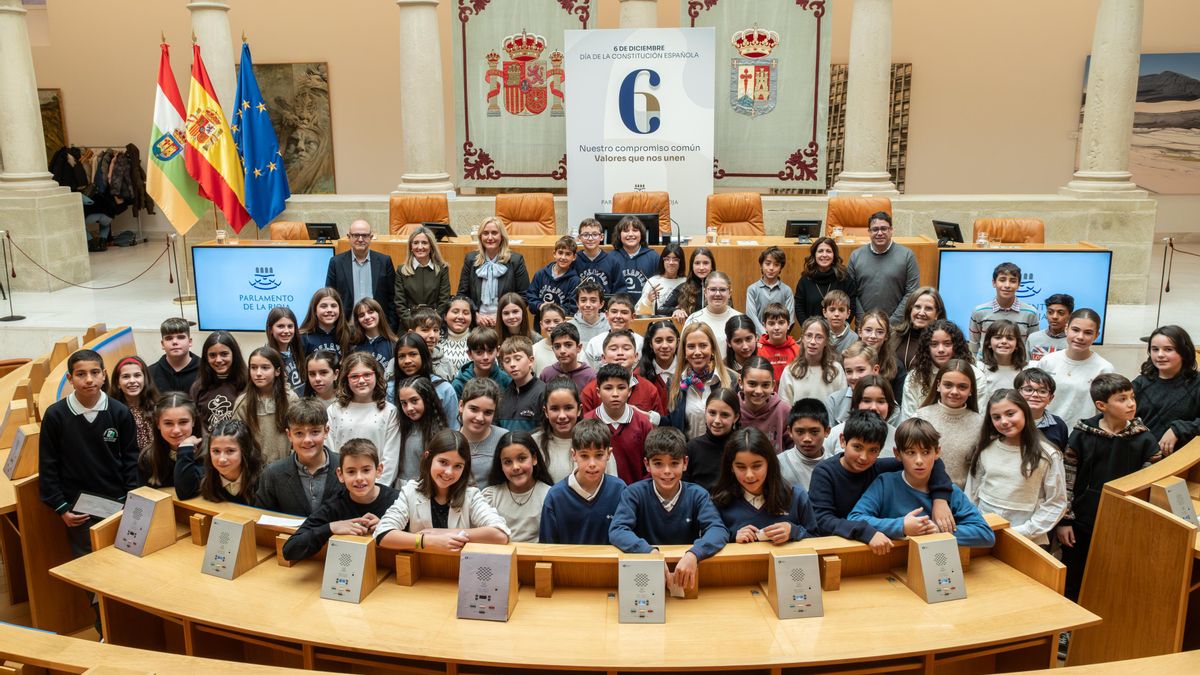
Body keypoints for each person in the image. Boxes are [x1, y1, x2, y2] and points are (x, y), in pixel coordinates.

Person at [38, 349, 139, 635]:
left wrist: (130, 504)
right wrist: (61, 508)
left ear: (104, 375)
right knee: (92, 574)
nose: (89, 379)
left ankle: (127, 628)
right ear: (70, 379)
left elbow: (130, 460)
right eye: (81, 374)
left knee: (123, 570)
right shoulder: (56, 416)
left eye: (95, 373)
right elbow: (48, 465)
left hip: (117, 508)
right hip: (79, 512)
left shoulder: (119, 412)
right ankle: (103, 629)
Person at [1058, 373, 1161, 602]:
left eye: (1132, 397)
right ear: (1101, 405)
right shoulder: (1081, 435)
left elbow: (1150, 483)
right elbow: (1067, 480)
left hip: (1124, 524)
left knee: (1112, 578)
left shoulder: (1145, 440)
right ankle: (1066, 632)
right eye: (1122, 399)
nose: (1131, 403)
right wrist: (1065, 520)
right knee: (1073, 575)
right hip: (1081, 523)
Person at [608, 427, 729, 592]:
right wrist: (649, 552)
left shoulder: (698, 495)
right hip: (644, 577)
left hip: (688, 575)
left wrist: (694, 554)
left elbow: (718, 530)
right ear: (647, 464)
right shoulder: (633, 493)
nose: (667, 471)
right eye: (658, 463)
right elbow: (617, 530)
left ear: (685, 463)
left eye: (674, 463)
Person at [848, 418, 995, 548]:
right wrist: (902, 526)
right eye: (911, 453)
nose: (919, 460)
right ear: (897, 454)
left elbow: (985, 534)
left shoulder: (950, 492)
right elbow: (855, 518)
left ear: (937, 452)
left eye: (925, 452)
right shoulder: (885, 483)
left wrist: (938, 531)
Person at [375, 429, 511, 551]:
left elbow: (500, 534)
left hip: (460, 570)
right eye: (443, 462)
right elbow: (382, 534)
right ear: (428, 457)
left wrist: (444, 533)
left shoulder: (471, 495)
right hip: (420, 569)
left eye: (458, 466)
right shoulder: (410, 491)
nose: (449, 472)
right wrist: (426, 541)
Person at [966, 390, 1066, 545]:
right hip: (986, 531)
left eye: (1010, 414)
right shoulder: (985, 449)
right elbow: (972, 492)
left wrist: (1026, 531)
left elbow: (1056, 502)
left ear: (1024, 412)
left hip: (1027, 538)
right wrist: (975, 524)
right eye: (997, 417)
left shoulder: (1048, 455)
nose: (1004, 421)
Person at [282, 438, 401, 561]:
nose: (359, 478)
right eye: (351, 471)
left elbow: (418, 537)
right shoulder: (334, 506)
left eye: (366, 470)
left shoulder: (399, 501)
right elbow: (289, 550)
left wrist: (389, 528)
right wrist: (331, 528)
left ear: (379, 470)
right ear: (340, 474)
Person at [713, 427, 818, 544]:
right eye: (741, 467)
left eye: (756, 466)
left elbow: (818, 539)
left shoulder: (796, 497)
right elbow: (710, 544)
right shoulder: (719, 502)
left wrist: (794, 531)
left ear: (769, 463)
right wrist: (732, 539)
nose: (749, 475)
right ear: (731, 467)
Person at [539, 419, 627, 544]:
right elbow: (547, 546)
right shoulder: (555, 496)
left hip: (609, 563)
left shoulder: (619, 490)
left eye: (599, 455)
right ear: (574, 455)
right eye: (584, 456)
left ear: (609, 454)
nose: (592, 464)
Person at [326, 353, 402, 487]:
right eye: (354, 376)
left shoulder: (389, 412)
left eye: (367, 375)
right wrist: (342, 483)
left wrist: (376, 488)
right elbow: (330, 451)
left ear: (376, 376)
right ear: (346, 379)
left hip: (377, 488)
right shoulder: (334, 410)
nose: (361, 381)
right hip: (341, 487)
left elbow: (391, 458)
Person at [256, 398, 341, 517]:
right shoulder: (273, 474)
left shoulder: (346, 467)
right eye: (299, 433)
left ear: (326, 431)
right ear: (289, 435)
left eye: (315, 432)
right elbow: (262, 520)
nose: (307, 440)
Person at [1037, 308, 1114, 429]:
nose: (1080, 337)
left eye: (1088, 332)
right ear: (1066, 329)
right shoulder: (1048, 361)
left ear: (1096, 335)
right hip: (1047, 433)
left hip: (1084, 436)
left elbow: (1106, 411)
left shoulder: (1104, 369)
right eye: (1075, 330)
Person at [911, 360, 984, 487]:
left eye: (962, 387)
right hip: (925, 495)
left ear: (971, 389)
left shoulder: (980, 424)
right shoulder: (920, 417)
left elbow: (979, 473)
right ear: (938, 385)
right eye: (948, 385)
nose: (954, 391)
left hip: (963, 500)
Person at [1132, 325, 1200, 456]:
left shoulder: (1197, 383)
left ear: (1183, 352)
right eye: (1155, 349)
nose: (1160, 355)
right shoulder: (1140, 382)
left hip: (1176, 462)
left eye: (1168, 349)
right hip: (1138, 456)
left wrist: (1179, 429)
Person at [535, 380, 618, 483]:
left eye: (568, 408)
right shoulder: (535, 443)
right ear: (546, 412)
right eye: (555, 409)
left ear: (579, 409)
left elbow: (613, 485)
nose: (562, 416)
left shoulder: (597, 439)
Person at [585, 364, 655, 484]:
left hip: (636, 495)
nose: (615, 394)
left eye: (621, 387)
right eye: (608, 388)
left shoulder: (643, 422)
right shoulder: (587, 422)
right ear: (598, 392)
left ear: (629, 391)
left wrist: (638, 492)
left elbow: (652, 463)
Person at [900, 320, 982, 422]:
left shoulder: (976, 375)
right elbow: (908, 421)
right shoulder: (915, 377)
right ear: (927, 348)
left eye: (947, 344)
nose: (941, 349)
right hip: (923, 435)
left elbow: (980, 418)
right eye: (934, 344)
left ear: (957, 346)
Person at [325, 219, 398, 331]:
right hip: (348, 327)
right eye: (356, 235)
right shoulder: (336, 263)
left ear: (371, 237)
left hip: (378, 327)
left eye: (364, 235)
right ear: (349, 237)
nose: (360, 239)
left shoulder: (384, 261)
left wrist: (391, 328)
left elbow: (392, 298)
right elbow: (330, 296)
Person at [846, 212, 919, 323]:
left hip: (896, 328)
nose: (879, 233)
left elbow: (912, 292)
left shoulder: (907, 255)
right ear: (869, 232)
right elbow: (851, 292)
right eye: (875, 229)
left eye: (884, 229)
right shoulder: (856, 256)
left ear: (891, 230)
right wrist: (865, 321)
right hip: (865, 328)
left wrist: (891, 323)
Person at [481, 431, 554, 542]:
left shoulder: (549, 495)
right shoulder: (491, 496)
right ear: (500, 465)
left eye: (521, 458)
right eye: (508, 462)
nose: (515, 467)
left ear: (534, 458)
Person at [457, 216, 530, 326]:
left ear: (502, 236)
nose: (490, 237)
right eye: (485, 233)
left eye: (494, 233)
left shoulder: (515, 260)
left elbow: (524, 297)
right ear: (480, 236)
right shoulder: (470, 260)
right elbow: (462, 295)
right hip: (477, 321)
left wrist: (502, 316)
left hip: (506, 321)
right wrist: (475, 315)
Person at [174, 418, 265, 505]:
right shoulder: (205, 474)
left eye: (230, 451)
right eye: (216, 451)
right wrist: (185, 447)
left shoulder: (264, 480)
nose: (221, 459)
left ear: (245, 451)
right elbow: (183, 493)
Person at [667, 323, 735, 438]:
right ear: (684, 351)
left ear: (712, 348)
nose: (697, 352)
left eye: (703, 345)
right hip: (687, 452)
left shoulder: (731, 380)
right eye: (691, 346)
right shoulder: (675, 382)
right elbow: (673, 423)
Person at [581, 329, 666, 420]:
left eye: (626, 348)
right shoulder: (590, 391)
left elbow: (659, 426)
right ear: (603, 358)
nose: (620, 353)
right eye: (613, 349)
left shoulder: (649, 389)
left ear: (636, 356)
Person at [234, 347, 299, 463]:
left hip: (286, 465)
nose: (258, 373)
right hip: (254, 469)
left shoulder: (290, 399)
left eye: (265, 368)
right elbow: (238, 441)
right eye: (253, 368)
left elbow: (299, 433)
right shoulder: (243, 403)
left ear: (277, 371)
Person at [968, 262, 1040, 357]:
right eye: (1002, 280)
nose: (1007, 285)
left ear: (1019, 285)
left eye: (1013, 281)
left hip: (1019, 367)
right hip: (985, 367)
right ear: (994, 283)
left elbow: (1032, 345)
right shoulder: (979, 312)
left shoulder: (1030, 313)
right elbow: (974, 344)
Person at [391, 333, 459, 430]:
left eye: (413, 354)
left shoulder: (444, 389)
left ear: (423, 356)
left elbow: (453, 427)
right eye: (401, 356)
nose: (407, 361)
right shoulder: (391, 388)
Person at [823, 375, 900, 456]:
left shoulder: (898, 439)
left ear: (889, 406)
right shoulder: (834, 434)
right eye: (866, 401)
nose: (873, 407)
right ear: (856, 404)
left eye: (881, 401)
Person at [393, 225, 451, 327]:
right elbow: (399, 304)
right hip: (409, 325)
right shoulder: (402, 270)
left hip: (435, 324)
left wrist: (431, 324)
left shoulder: (442, 269)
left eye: (424, 243)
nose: (420, 247)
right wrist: (413, 325)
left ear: (431, 246)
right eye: (415, 243)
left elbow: (444, 301)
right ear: (411, 247)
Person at [190, 330, 247, 435]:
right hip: (209, 448)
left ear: (234, 355)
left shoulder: (248, 384)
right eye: (212, 355)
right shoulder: (198, 387)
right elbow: (194, 424)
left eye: (224, 354)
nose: (218, 360)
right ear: (206, 358)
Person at [394, 376, 450, 485]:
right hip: (399, 488)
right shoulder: (400, 427)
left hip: (424, 488)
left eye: (414, 401)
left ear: (427, 399)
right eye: (404, 403)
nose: (409, 408)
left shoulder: (438, 433)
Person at [684, 388, 740, 492]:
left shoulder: (741, 447)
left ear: (735, 417)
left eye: (725, 415)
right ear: (705, 412)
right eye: (712, 413)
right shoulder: (692, 448)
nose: (717, 420)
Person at [779, 317, 846, 405]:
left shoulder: (836, 369)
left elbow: (842, 404)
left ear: (826, 341)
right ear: (802, 338)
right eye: (809, 336)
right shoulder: (790, 371)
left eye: (819, 337)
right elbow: (785, 408)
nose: (813, 342)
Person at [794, 237, 856, 326]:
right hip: (813, 333)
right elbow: (799, 307)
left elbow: (852, 305)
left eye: (828, 251)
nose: (824, 255)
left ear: (834, 255)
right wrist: (808, 328)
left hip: (838, 331)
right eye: (820, 251)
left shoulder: (844, 278)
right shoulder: (805, 280)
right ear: (814, 255)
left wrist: (841, 328)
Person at [457, 377, 508, 486]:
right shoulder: (450, 441)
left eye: (488, 412)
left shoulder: (504, 438)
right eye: (474, 409)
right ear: (461, 406)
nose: (480, 418)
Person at [141, 391, 197, 488]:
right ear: (158, 424)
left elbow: (185, 490)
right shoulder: (148, 457)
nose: (176, 430)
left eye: (183, 422)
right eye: (168, 423)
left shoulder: (210, 454)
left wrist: (185, 450)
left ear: (193, 422)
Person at [684, 271, 743, 355]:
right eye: (712, 289)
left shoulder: (740, 318)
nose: (717, 294)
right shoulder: (693, 319)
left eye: (722, 290)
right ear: (705, 292)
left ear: (729, 293)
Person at [888, 288, 946, 373]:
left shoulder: (944, 343)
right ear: (910, 310)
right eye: (917, 307)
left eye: (928, 308)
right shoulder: (893, 335)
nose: (921, 313)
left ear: (937, 314)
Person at [778, 399, 832, 490]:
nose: (807, 439)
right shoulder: (779, 464)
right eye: (800, 432)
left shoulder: (834, 464)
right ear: (790, 431)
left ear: (827, 431)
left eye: (814, 432)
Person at [110, 355, 159, 454]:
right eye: (126, 376)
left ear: (145, 379)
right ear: (118, 383)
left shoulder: (158, 407)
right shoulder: (111, 412)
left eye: (137, 375)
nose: (132, 381)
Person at [738, 356, 789, 448]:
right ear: (740, 382)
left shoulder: (783, 410)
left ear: (773, 385)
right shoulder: (731, 408)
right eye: (752, 384)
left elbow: (793, 447)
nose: (758, 391)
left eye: (765, 385)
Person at [497, 336, 546, 432]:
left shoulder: (543, 392)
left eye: (517, 359)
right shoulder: (503, 394)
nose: (512, 364)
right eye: (507, 361)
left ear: (531, 361)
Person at [1015, 368, 1070, 452]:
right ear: (1017, 394)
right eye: (1029, 390)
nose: (1035, 395)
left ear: (1050, 398)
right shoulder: (1009, 421)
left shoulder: (1059, 425)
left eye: (1042, 391)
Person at [524, 236, 580, 317]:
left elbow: (572, 308)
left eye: (568, 254)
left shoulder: (575, 281)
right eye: (560, 253)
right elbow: (530, 297)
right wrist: (540, 306)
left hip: (561, 325)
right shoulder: (540, 274)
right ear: (554, 254)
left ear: (574, 257)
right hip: (540, 324)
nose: (563, 257)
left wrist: (550, 309)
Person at [825, 342, 879, 425]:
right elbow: (829, 436)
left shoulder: (887, 404)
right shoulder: (834, 401)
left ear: (875, 370)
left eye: (861, 370)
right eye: (849, 371)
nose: (854, 377)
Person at [583, 294, 641, 370]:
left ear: (633, 317)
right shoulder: (594, 343)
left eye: (624, 312)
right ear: (607, 315)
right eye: (614, 312)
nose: (618, 316)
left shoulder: (641, 343)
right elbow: (588, 372)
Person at [976, 319, 1028, 405]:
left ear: (1017, 345)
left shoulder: (1025, 370)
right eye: (998, 337)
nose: (1004, 341)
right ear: (988, 343)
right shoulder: (979, 368)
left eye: (1010, 338)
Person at [451, 326, 513, 396]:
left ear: (498, 351)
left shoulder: (506, 380)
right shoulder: (459, 384)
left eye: (490, 351)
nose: (485, 357)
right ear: (470, 354)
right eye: (479, 352)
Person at [299, 287, 357, 361]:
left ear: (340, 309)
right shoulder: (303, 338)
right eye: (323, 306)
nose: (329, 310)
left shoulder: (349, 335)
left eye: (333, 306)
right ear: (314, 311)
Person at [745, 246, 793, 333]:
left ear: (780, 268)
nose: (771, 268)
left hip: (780, 337)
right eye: (767, 263)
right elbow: (751, 316)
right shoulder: (753, 289)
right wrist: (765, 335)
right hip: (759, 339)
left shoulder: (787, 290)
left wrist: (778, 334)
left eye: (776, 265)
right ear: (761, 265)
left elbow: (790, 318)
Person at [147, 317, 199, 395]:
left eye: (180, 337)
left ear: (190, 342)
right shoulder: (150, 373)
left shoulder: (205, 370)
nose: (175, 342)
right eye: (169, 338)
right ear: (162, 344)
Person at [613, 215, 660, 297]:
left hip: (646, 307)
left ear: (641, 234)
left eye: (635, 230)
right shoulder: (611, 257)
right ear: (619, 235)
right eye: (626, 231)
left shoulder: (653, 257)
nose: (631, 234)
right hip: (619, 308)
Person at [351, 298, 399, 379]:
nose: (367, 317)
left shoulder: (394, 344)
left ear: (379, 314)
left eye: (370, 312)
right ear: (357, 320)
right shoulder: (354, 347)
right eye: (361, 315)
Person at [572, 217, 622, 295]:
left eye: (595, 234)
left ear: (601, 237)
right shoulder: (574, 260)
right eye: (585, 235)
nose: (590, 238)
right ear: (579, 238)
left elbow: (620, 290)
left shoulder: (612, 261)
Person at [635, 243, 686, 317]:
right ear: (663, 261)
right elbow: (638, 312)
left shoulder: (686, 282)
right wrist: (648, 300)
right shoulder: (653, 281)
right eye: (667, 259)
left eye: (675, 259)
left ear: (681, 262)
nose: (671, 263)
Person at [665, 247, 715, 320]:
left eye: (705, 263)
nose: (701, 267)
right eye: (697, 263)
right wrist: (675, 310)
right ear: (692, 266)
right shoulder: (683, 287)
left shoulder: (720, 288)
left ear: (712, 266)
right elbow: (661, 309)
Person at [540, 322, 594, 390]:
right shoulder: (546, 374)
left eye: (568, 345)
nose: (562, 351)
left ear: (579, 348)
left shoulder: (590, 376)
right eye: (557, 346)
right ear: (553, 349)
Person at [265, 307, 306, 395]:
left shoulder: (298, 350)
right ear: (271, 329)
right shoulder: (266, 357)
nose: (286, 331)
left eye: (290, 326)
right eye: (280, 326)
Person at [757, 302, 800, 385]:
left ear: (788, 324)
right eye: (771, 323)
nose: (776, 327)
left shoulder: (797, 350)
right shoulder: (758, 350)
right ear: (764, 326)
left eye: (781, 323)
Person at [860, 309, 902, 394]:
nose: (873, 336)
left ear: (886, 336)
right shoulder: (849, 359)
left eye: (880, 332)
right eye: (868, 330)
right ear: (860, 332)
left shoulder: (896, 366)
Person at [639, 319, 680, 404]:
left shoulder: (687, 371)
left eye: (670, 340)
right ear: (651, 344)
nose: (664, 346)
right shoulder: (640, 374)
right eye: (658, 341)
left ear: (677, 342)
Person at [437, 295, 477, 381]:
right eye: (455, 312)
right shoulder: (435, 340)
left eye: (466, 313)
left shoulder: (479, 339)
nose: (460, 317)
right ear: (445, 316)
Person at [1028, 293, 1074, 362]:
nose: (1054, 317)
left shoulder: (1074, 342)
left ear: (1070, 315)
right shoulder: (1033, 338)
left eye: (1061, 313)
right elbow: (1025, 367)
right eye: (1050, 312)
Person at [568, 279, 609, 347]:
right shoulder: (569, 327)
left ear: (601, 304)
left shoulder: (609, 325)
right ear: (577, 304)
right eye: (583, 300)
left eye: (593, 301)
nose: (588, 305)